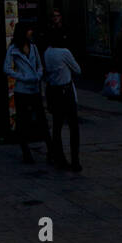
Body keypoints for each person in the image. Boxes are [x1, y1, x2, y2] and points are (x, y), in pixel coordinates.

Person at [3, 22, 49, 163]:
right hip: (22, 89)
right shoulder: (13, 49)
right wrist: (22, 76)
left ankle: (51, 148)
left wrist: (38, 75)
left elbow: (39, 65)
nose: (31, 32)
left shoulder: (33, 47)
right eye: (29, 30)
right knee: (23, 120)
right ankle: (26, 151)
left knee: (41, 119)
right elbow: (7, 68)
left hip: (34, 87)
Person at [43, 35, 82, 172]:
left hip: (53, 91)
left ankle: (59, 158)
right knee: (73, 127)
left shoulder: (47, 52)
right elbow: (77, 69)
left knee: (57, 126)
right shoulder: (65, 52)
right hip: (66, 91)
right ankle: (75, 160)